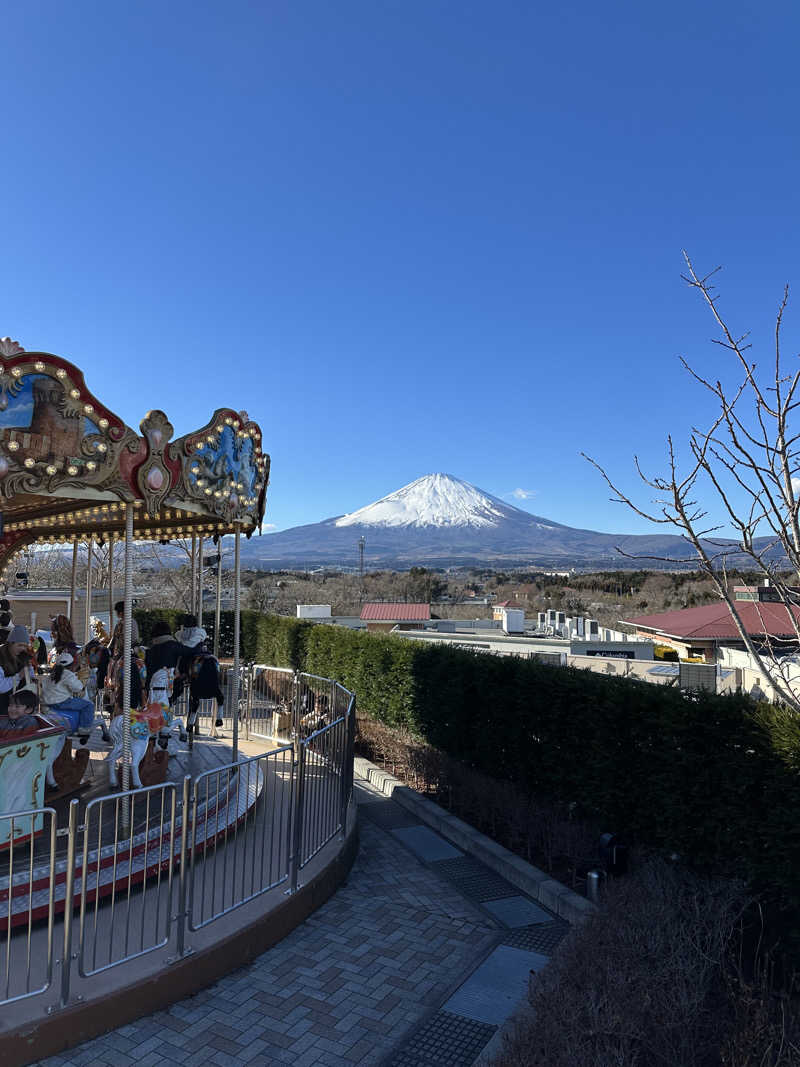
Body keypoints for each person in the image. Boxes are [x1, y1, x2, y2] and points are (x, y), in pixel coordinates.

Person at [41, 653, 96, 741]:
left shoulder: (52, 674)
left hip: (47, 702)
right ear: (71, 665)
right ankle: (84, 730)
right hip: (61, 702)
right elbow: (78, 688)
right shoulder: (68, 674)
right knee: (88, 705)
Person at [145, 621, 191, 705]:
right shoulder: (174, 645)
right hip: (167, 689)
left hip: (151, 690)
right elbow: (190, 652)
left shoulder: (150, 651)